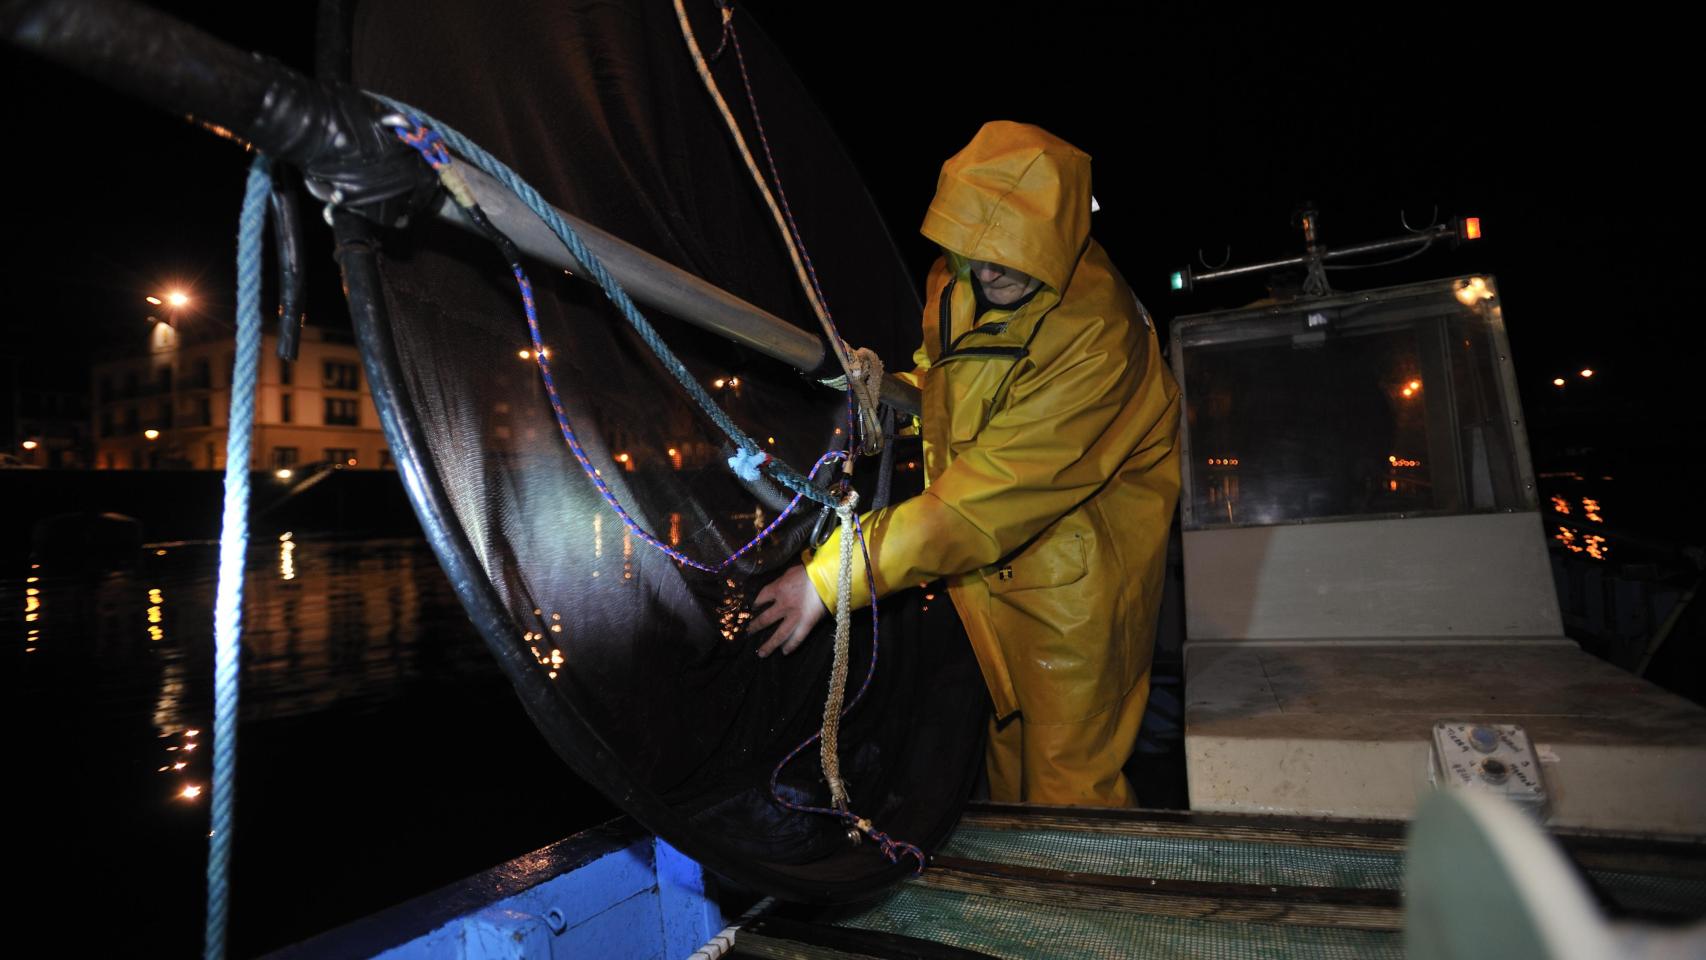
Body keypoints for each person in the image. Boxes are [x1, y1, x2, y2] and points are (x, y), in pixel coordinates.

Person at [750, 121, 1181, 806]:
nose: (984, 270)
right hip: (990, 578)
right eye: (972, 247)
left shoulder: (1099, 337)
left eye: (1004, 256)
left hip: (1078, 596)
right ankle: (1027, 904)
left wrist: (830, 580)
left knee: (1072, 789)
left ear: (1056, 238)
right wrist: (884, 392)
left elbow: (985, 499)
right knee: (1012, 767)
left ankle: (1094, 911)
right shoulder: (961, 278)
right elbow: (955, 386)